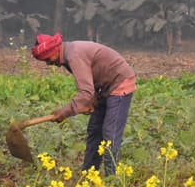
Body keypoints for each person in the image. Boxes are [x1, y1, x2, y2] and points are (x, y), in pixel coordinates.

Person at [31, 32, 136, 176]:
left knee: (110, 135)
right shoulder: (68, 55)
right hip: (103, 88)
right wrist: (92, 101)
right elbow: (89, 87)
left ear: (54, 51)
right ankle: (88, 175)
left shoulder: (74, 56)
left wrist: (64, 112)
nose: (49, 63)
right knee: (94, 131)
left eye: (47, 59)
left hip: (120, 82)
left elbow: (85, 92)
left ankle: (113, 180)